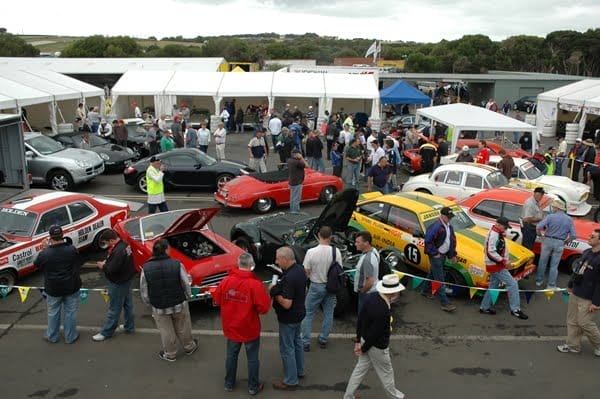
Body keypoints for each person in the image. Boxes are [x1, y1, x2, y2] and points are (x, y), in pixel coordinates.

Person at [213, 253, 271, 395]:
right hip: (249, 328)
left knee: (231, 355)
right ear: (252, 266)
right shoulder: (255, 284)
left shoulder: (226, 281)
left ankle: (229, 383)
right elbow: (264, 308)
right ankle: (253, 386)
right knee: (252, 358)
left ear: (238, 264)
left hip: (231, 327)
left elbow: (217, 299)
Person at [343, 273, 406, 399]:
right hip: (377, 347)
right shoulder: (383, 310)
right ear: (392, 293)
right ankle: (396, 397)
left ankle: (348, 396)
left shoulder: (371, 297)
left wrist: (359, 341)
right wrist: (364, 348)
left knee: (360, 369)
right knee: (386, 373)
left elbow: (360, 319)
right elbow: (376, 333)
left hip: (364, 339)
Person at [140, 239, 198, 362]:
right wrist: (188, 296)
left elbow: (144, 288)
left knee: (166, 331)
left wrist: (148, 302)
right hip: (178, 302)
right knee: (183, 326)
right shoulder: (177, 264)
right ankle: (189, 346)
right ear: (166, 250)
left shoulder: (146, 268)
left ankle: (170, 353)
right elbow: (185, 283)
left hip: (159, 306)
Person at [34, 225, 82, 344]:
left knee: (53, 312)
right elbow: (78, 262)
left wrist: (45, 249)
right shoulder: (72, 249)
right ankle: (70, 337)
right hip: (71, 286)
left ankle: (52, 336)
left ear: (50, 237)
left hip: (53, 288)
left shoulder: (46, 253)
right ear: (62, 235)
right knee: (70, 312)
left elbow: (36, 263)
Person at [556, 228, 600, 356]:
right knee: (572, 321)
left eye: (593, 236)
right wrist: (570, 285)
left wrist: (596, 303)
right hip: (576, 292)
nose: (589, 237)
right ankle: (573, 346)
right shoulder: (586, 252)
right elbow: (577, 271)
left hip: (589, 297)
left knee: (584, 323)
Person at [269, 246, 307, 391]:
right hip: (299, 313)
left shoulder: (290, 277)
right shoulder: (299, 270)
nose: (276, 262)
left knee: (287, 348)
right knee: (297, 342)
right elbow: (304, 290)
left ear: (285, 259)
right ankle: (300, 370)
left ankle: (291, 380)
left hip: (289, 317)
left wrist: (274, 291)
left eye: (278, 259)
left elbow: (286, 304)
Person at [301, 226, 341, 352]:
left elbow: (306, 271)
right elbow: (339, 269)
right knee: (329, 313)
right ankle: (323, 339)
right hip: (331, 286)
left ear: (319, 235)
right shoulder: (336, 252)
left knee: (308, 314)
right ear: (331, 237)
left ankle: (305, 342)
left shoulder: (311, 252)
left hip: (316, 285)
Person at [479, 217, 529, 319]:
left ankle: (484, 307)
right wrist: (504, 261)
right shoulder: (493, 235)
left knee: (493, 286)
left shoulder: (495, 233)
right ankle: (515, 310)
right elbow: (490, 252)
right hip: (496, 265)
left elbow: (493, 250)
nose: (506, 229)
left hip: (496, 264)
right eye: (505, 227)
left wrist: (504, 258)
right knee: (513, 284)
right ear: (499, 225)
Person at [92, 229, 136, 341]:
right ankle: (129, 326)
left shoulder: (118, 251)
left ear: (112, 240)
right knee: (128, 304)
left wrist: (103, 266)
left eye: (107, 243)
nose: (106, 245)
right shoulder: (125, 245)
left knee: (114, 308)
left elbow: (112, 269)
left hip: (118, 282)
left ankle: (106, 332)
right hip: (127, 278)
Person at [421, 206, 457, 312]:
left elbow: (452, 241)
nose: (450, 219)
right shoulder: (436, 226)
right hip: (437, 256)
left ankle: (424, 290)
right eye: (448, 217)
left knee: (433, 273)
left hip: (442, 255)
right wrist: (434, 253)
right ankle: (444, 303)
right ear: (442, 216)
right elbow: (428, 241)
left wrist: (452, 254)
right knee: (440, 279)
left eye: (450, 217)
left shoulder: (448, 226)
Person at [536, 199, 577, 289]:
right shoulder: (569, 219)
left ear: (557, 208)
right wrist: (566, 241)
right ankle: (551, 285)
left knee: (542, 262)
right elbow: (573, 235)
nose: (553, 208)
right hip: (560, 242)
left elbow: (538, 226)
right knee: (554, 265)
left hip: (548, 240)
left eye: (554, 207)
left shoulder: (550, 216)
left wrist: (540, 235)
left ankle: (539, 280)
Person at [354, 231, 380, 313]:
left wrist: (362, 291)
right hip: (373, 292)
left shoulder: (367, 260)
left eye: (358, 242)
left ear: (366, 243)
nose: (355, 244)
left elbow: (370, 281)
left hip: (367, 294)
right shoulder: (374, 251)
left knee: (363, 319)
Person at [520, 187, 547, 251]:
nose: (541, 197)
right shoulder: (530, 203)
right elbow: (527, 219)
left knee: (530, 246)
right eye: (540, 195)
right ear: (535, 194)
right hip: (529, 227)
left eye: (542, 195)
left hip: (532, 228)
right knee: (527, 248)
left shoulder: (537, 202)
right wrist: (540, 219)